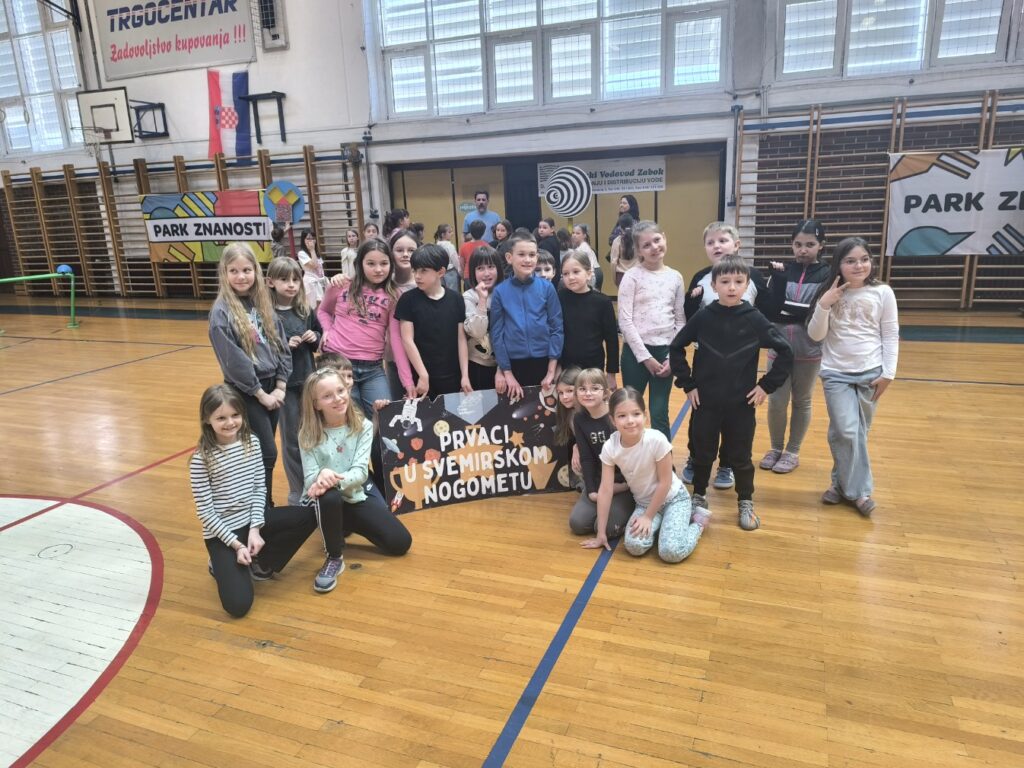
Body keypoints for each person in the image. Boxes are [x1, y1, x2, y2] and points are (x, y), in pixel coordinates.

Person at [670, 257, 793, 531]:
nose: (732, 287)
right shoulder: (703, 317)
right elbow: (676, 347)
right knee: (702, 453)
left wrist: (766, 386)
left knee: (740, 456)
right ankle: (698, 495)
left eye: (738, 281)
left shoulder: (754, 318)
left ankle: (745, 500)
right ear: (714, 285)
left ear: (747, 285)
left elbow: (786, 351)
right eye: (725, 282)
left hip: (741, 405)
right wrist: (688, 384)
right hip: (706, 403)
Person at [190, 384, 316, 617]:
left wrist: (255, 529)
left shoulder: (252, 443)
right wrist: (236, 545)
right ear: (207, 419)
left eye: (235, 415)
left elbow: (259, 488)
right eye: (221, 418)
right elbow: (206, 513)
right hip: (223, 533)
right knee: (238, 607)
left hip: (253, 521)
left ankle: (262, 561)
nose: (230, 423)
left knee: (308, 515)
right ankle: (218, 562)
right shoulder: (201, 459)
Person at [807, 237, 899, 517]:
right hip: (836, 373)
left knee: (854, 434)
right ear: (839, 264)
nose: (859, 266)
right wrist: (824, 305)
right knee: (847, 431)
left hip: (871, 373)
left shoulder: (882, 292)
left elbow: (890, 334)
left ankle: (839, 485)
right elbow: (815, 336)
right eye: (850, 261)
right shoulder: (829, 292)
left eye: (864, 259)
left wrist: (888, 373)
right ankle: (861, 493)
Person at [300, 369, 412, 593]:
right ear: (315, 404)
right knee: (329, 496)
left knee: (400, 542)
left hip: (354, 495)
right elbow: (310, 478)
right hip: (323, 499)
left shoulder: (363, 426)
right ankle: (334, 557)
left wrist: (330, 477)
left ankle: (342, 522)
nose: (338, 398)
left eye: (340, 391)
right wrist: (321, 477)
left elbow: (360, 473)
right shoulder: (307, 433)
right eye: (327, 396)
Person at [680, 221, 769, 489]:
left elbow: (767, 312)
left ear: (736, 245)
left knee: (737, 417)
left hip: (741, 361)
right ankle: (696, 458)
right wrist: (691, 300)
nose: (717, 246)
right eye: (711, 242)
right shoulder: (701, 277)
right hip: (707, 360)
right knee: (701, 413)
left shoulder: (753, 276)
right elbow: (690, 317)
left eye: (723, 240)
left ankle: (727, 463)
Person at [581, 387, 709, 561]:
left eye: (636, 414)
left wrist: (648, 517)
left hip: (673, 499)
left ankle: (698, 522)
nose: (630, 421)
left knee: (671, 552)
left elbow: (665, 483)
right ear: (612, 420)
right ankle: (665, 526)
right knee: (634, 546)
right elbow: (605, 490)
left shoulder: (656, 440)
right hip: (644, 503)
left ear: (645, 415)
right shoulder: (610, 447)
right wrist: (600, 534)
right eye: (622, 416)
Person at [208, 242, 291, 504]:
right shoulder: (221, 312)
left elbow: (280, 343)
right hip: (246, 391)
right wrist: (260, 394)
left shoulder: (262, 303)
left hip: (272, 386)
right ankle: (263, 508)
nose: (241, 276)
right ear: (224, 273)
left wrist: (281, 384)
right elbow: (234, 361)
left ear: (256, 271)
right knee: (265, 452)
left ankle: (260, 505)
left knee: (262, 453)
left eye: (246, 270)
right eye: (234, 271)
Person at [760, 219, 831, 475]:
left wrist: (789, 310)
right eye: (798, 244)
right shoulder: (781, 272)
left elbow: (817, 312)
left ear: (821, 245)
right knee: (776, 401)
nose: (803, 250)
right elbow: (771, 309)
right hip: (778, 348)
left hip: (809, 350)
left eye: (810, 244)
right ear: (792, 245)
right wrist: (793, 311)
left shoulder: (828, 275)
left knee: (802, 401)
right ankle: (775, 448)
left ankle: (792, 451)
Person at [318, 238, 416, 418]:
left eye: (384, 263)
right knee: (350, 421)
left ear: (391, 265)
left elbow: (396, 339)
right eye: (371, 263)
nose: (378, 269)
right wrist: (327, 330)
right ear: (360, 264)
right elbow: (323, 310)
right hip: (338, 363)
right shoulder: (341, 285)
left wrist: (407, 382)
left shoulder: (394, 295)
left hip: (373, 368)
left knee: (385, 417)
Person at [617, 221, 685, 441]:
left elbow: (680, 320)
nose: (654, 247)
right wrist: (645, 357)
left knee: (659, 411)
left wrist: (672, 356)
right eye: (646, 245)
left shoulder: (675, 277)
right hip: (635, 354)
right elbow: (625, 321)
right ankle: (631, 454)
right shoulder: (632, 277)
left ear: (664, 237)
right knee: (631, 410)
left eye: (657, 240)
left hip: (665, 354)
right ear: (639, 251)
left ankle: (663, 458)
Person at [267, 257, 323, 506]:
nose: (291, 284)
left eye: (295, 279)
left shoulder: (304, 310)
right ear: (270, 282)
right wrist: (283, 346)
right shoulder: (266, 314)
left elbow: (319, 337)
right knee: (291, 440)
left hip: (309, 382)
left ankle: (316, 485)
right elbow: (263, 350)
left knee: (314, 434)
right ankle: (297, 492)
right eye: (284, 279)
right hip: (284, 386)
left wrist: (314, 336)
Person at [490, 232, 564, 400]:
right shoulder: (500, 292)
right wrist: (507, 372)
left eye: (532, 255)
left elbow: (557, 328)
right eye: (521, 254)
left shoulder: (547, 288)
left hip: (544, 361)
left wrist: (551, 370)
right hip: (514, 364)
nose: (527, 259)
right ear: (509, 258)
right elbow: (497, 334)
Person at [396, 244, 471, 398]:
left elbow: (461, 339)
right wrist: (423, 375)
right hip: (420, 377)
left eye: (423, 271)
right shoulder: (407, 300)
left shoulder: (456, 299)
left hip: (452, 376)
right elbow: (407, 340)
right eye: (415, 270)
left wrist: (465, 375)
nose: (417, 276)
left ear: (441, 272)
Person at [569, 369, 634, 541]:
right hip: (600, 482)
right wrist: (592, 490)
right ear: (577, 393)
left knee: (605, 528)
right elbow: (587, 458)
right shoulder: (579, 419)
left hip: (624, 483)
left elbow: (631, 457)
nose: (588, 393)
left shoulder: (616, 417)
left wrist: (624, 486)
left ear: (605, 393)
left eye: (594, 388)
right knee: (577, 524)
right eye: (582, 389)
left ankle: (630, 507)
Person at [559, 250, 618, 387]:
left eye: (576, 272)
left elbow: (612, 340)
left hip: (593, 366)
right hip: (566, 367)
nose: (571, 277)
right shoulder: (560, 297)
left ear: (589, 273)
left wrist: (611, 373)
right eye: (566, 274)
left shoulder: (602, 302)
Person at [463, 245, 506, 393]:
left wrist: (502, 368)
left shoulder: (506, 293)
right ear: (473, 272)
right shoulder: (469, 297)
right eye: (480, 268)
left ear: (498, 269)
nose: (486, 273)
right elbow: (477, 332)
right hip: (478, 364)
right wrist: (482, 300)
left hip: (506, 365)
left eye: (491, 267)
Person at [553, 367, 582, 490]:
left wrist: (577, 447)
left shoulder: (591, 411)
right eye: (560, 392)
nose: (564, 397)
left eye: (569, 391)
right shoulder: (569, 413)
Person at [296, 229, 326, 309]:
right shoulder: (302, 253)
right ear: (303, 240)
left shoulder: (315, 253)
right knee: (314, 306)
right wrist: (312, 250)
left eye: (313, 238)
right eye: (308, 238)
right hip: (310, 282)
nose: (311, 241)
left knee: (322, 305)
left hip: (320, 281)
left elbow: (320, 269)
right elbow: (314, 265)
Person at [571, 224, 602, 290]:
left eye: (578, 233)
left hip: (593, 272)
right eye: (573, 233)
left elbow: (589, 265)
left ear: (584, 235)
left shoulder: (583, 248)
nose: (574, 235)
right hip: (593, 271)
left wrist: (589, 277)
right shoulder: (581, 246)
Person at [608, 213, 636, 286]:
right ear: (633, 224)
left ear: (620, 227)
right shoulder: (638, 240)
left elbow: (613, 262)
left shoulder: (617, 241)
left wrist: (615, 279)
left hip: (622, 276)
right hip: (637, 275)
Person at [434, 223, 462, 292]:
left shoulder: (436, 245)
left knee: (443, 291)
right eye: (449, 232)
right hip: (450, 272)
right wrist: (460, 271)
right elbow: (455, 260)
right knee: (453, 292)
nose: (452, 234)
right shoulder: (449, 246)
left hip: (440, 272)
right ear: (443, 235)